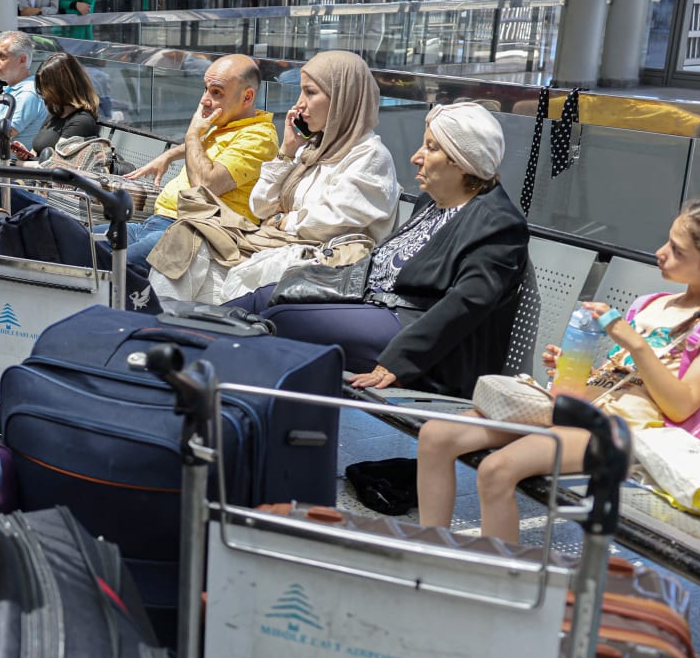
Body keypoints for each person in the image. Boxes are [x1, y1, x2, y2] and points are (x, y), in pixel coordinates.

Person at [417, 200, 700, 543]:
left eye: (677, 250)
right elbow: (617, 378)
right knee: (437, 435)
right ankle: (429, 551)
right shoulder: (652, 305)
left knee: (498, 470)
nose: (661, 252)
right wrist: (570, 371)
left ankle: (505, 580)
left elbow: (681, 404)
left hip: (625, 433)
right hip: (587, 410)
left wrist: (634, 343)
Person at [243, 101, 526, 397]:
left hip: (415, 339)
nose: (417, 157)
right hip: (373, 302)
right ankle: (192, 350)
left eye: (431, 148)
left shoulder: (498, 226)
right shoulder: (434, 200)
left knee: (279, 320)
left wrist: (398, 363)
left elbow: (467, 303)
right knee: (262, 297)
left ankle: (226, 401)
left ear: (462, 161)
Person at [161, 50, 399, 305]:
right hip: (271, 250)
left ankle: (164, 325)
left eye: (310, 92)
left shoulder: (371, 157)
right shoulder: (312, 149)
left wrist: (284, 221)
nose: (299, 104)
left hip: (310, 271)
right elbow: (261, 205)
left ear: (343, 99)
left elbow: (331, 222)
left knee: (184, 256)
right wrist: (287, 150)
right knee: (185, 238)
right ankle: (161, 324)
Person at [114, 53, 277, 267]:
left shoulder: (259, 137)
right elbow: (207, 148)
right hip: (158, 223)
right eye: (205, 88)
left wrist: (192, 133)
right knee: (79, 241)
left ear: (247, 97)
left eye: (216, 92)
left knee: (113, 265)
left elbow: (204, 186)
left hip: (193, 233)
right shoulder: (225, 126)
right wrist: (169, 155)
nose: (204, 100)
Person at [19, 52, 101, 158]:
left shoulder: (81, 122)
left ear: (63, 86)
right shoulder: (55, 115)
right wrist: (26, 156)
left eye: (46, 86)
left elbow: (56, 163)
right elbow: (36, 153)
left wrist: (17, 164)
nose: (42, 92)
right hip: (38, 173)